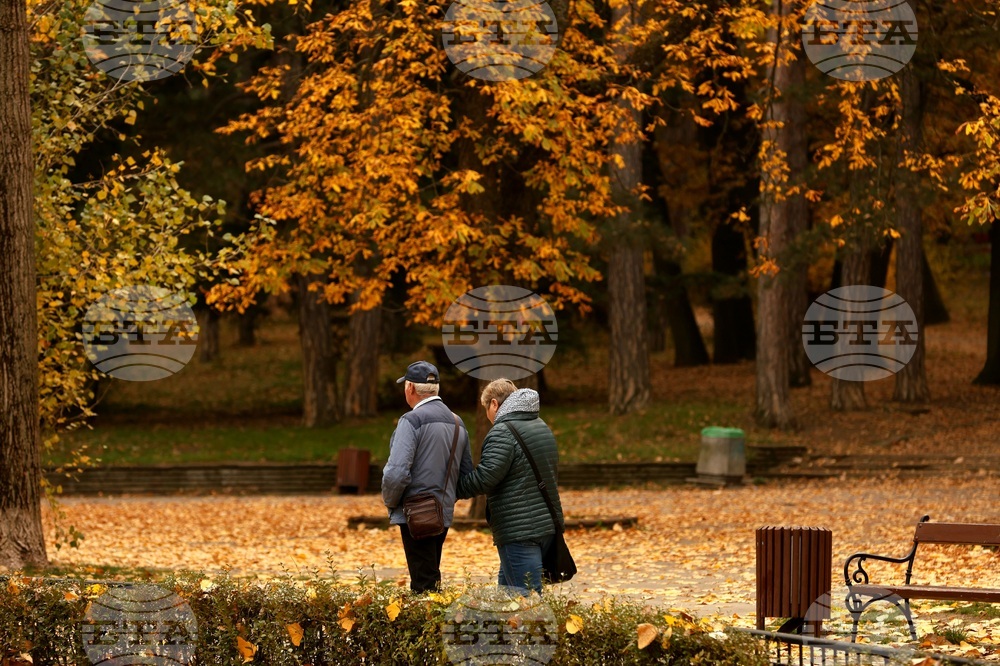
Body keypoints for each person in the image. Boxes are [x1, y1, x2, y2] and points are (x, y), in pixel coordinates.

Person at [457, 379, 564, 594]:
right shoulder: (540, 425)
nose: (487, 415)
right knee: (507, 596)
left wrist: (454, 489)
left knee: (525, 601)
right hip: (544, 525)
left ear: (494, 404)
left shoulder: (502, 431)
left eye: (486, 408)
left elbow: (486, 477)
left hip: (519, 530)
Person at [382, 360, 473, 592]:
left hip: (415, 513)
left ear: (410, 388)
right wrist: (446, 498)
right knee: (430, 576)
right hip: (443, 514)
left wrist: (391, 503)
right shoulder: (457, 422)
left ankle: (430, 627)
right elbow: (466, 475)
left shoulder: (411, 420)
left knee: (423, 584)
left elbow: (396, 473)